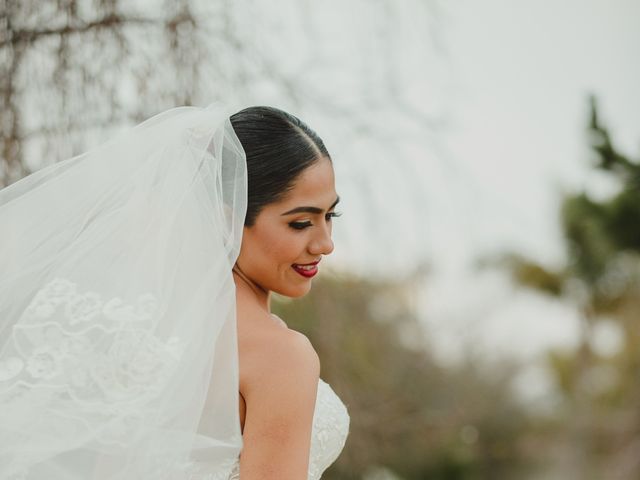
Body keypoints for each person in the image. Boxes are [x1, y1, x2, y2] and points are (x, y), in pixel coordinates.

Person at [0, 103, 349, 480]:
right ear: (227, 218)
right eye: (301, 222)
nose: (325, 243)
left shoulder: (145, 334)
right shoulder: (281, 356)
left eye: (330, 216)